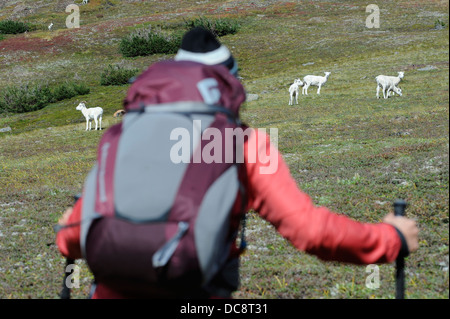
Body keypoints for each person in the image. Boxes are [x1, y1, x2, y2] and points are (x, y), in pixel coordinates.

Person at [56, 27, 419, 299]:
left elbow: (72, 237)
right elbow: (312, 233)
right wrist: (391, 238)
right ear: (229, 84)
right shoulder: (241, 142)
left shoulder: (127, 134)